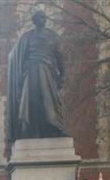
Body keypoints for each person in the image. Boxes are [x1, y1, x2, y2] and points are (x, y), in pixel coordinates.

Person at [6, 10, 66, 142]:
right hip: (31, 71)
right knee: (32, 102)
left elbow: (59, 57)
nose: (41, 20)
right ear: (34, 21)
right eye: (39, 18)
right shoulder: (27, 37)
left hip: (48, 71)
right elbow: (15, 56)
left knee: (49, 100)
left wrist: (63, 75)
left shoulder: (52, 36)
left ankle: (53, 126)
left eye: (43, 17)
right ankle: (32, 129)